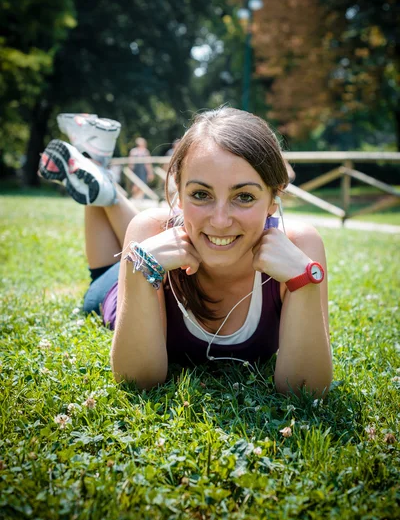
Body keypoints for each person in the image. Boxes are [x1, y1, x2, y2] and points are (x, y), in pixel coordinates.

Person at [38, 107, 332, 396]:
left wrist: (303, 283)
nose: (220, 220)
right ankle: (98, 170)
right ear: (178, 194)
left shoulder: (300, 248)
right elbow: (136, 380)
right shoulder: (147, 236)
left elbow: (305, 389)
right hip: (119, 284)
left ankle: (98, 168)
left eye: (244, 196)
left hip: (166, 245)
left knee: (135, 224)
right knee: (102, 274)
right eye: (201, 195)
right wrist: (138, 269)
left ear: (273, 198)